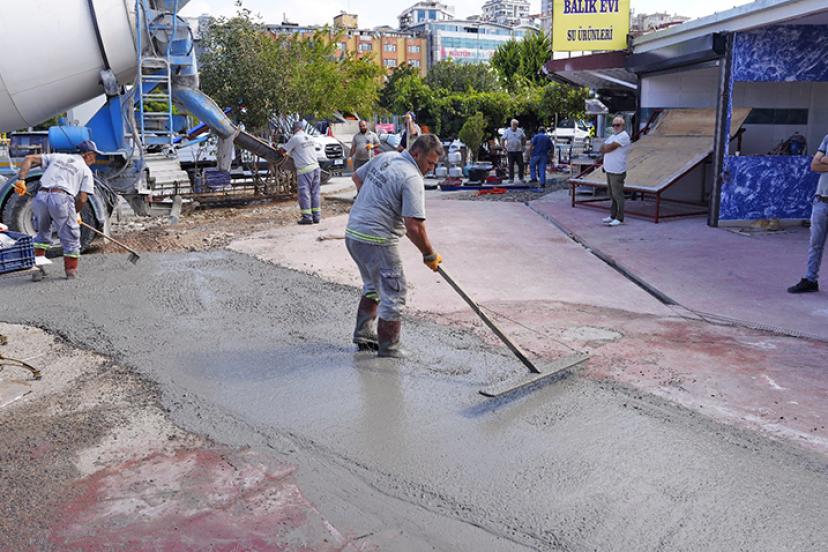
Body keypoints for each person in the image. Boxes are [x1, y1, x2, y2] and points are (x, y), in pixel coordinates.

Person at [346, 135, 444, 358]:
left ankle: (364, 333)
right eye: (429, 163)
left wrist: (369, 204)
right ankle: (389, 348)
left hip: (354, 234)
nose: (430, 169)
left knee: (373, 285)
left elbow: (356, 176)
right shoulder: (411, 177)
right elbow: (414, 227)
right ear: (416, 154)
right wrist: (429, 254)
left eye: (435, 165)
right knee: (394, 292)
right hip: (377, 240)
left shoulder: (387, 157)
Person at [13, 140, 99, 279]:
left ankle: (37, 271)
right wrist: (75, 213)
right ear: (88, 155)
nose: (95, 160)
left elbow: (28, 159)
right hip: (61, 198)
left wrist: (21, 180)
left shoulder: (59, 157)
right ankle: (71, 271)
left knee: (41, 234)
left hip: (41, 196)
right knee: (70, 235)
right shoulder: (86, 171)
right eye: (95, 156)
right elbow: (83, 199)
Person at [787, 133, 828, 293]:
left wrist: (824, 159)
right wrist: (822, 160)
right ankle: (810, 279)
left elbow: (821, 161)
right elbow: (814, 165)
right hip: (821, 201)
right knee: (815, 244)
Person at [280, 120, 321, 225]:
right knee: (315, 193)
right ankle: (316, 216)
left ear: (295, 129)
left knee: (304, 194)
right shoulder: (310, 137)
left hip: (305, 170)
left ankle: (307, 217)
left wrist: (279, 148)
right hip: (316, 167)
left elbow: (283, 151)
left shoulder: (295, 138)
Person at [600, 116, 631, 227]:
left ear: (623, 125)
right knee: (612, 194)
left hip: (617, 170)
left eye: (618, 125)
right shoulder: (613, 136)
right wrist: (605, 147)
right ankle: (613, 215)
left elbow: (608, 148)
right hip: (609, 169)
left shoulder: (624, 136)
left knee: (618, 194)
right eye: (613, 125)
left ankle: (620, 217)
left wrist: (606, 147)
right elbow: (602, 148)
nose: (615, 127)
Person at [502, 119, 526, 183]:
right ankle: (511, 178)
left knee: (521, 164)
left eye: (515, 125)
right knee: (510, 165)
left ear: (517, 125)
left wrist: (523, 146)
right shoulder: (507, 131)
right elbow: (503, 139)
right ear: (511, 125)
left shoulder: (520, 130)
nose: (514, 126)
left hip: (518, 150)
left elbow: (524, 138)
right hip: (510, 151)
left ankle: (521, 178)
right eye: (513, 124)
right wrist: (503, 148)